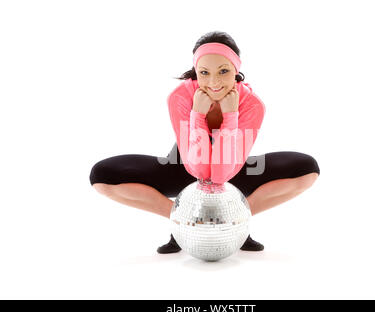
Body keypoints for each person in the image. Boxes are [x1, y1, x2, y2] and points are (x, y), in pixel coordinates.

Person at [89, 31, 320, 254]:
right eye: (204, 72)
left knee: (307, 170)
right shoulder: (180, 97)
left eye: (223, 71)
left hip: (233, 170)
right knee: (102, 177)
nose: (214, 82)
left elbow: (220, 175)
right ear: (196, 72)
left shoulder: (252, 104)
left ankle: (236, 221)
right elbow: (198, 169)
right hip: (181, 168)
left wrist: (231, 116)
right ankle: (180, 223)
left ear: (236, 70)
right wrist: (197, 114)